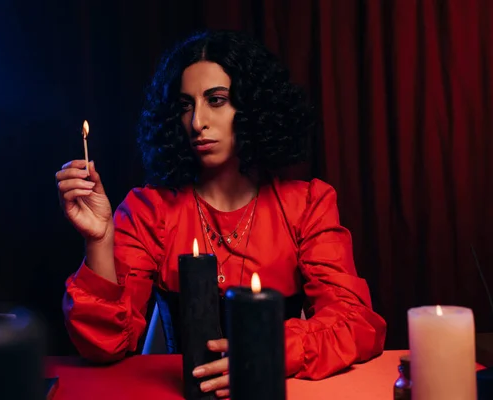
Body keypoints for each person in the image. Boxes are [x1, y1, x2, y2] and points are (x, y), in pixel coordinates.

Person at [57, 29, 386, 397]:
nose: (197, 122)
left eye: (216, 100)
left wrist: (270, 350)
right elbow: (102, 347)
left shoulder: (307, 204)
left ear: (252, 107)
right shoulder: (150, 210)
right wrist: (99, 240)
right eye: (185, 105)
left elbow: (354, 322)